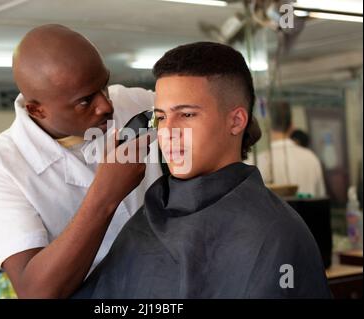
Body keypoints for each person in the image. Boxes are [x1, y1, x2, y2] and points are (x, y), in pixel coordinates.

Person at [72, 42, 331, 299]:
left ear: (236, 121)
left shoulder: (275, 234)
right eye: (161, 117)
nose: (167, 133)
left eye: (186, 115)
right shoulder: (153, 213)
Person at [0, 24, 162, 298]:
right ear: (37, 110)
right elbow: (35, 291)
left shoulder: (135, 103)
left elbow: (220, 120)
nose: (106, 106)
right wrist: (105, 196)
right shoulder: (1, 166)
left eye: (104, 86)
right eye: (85, 101)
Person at [255, 101, 326, 198]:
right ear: (292, 126)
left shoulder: (257, 161)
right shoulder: (311, 158)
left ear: (267, 127)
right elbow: (321, 199)